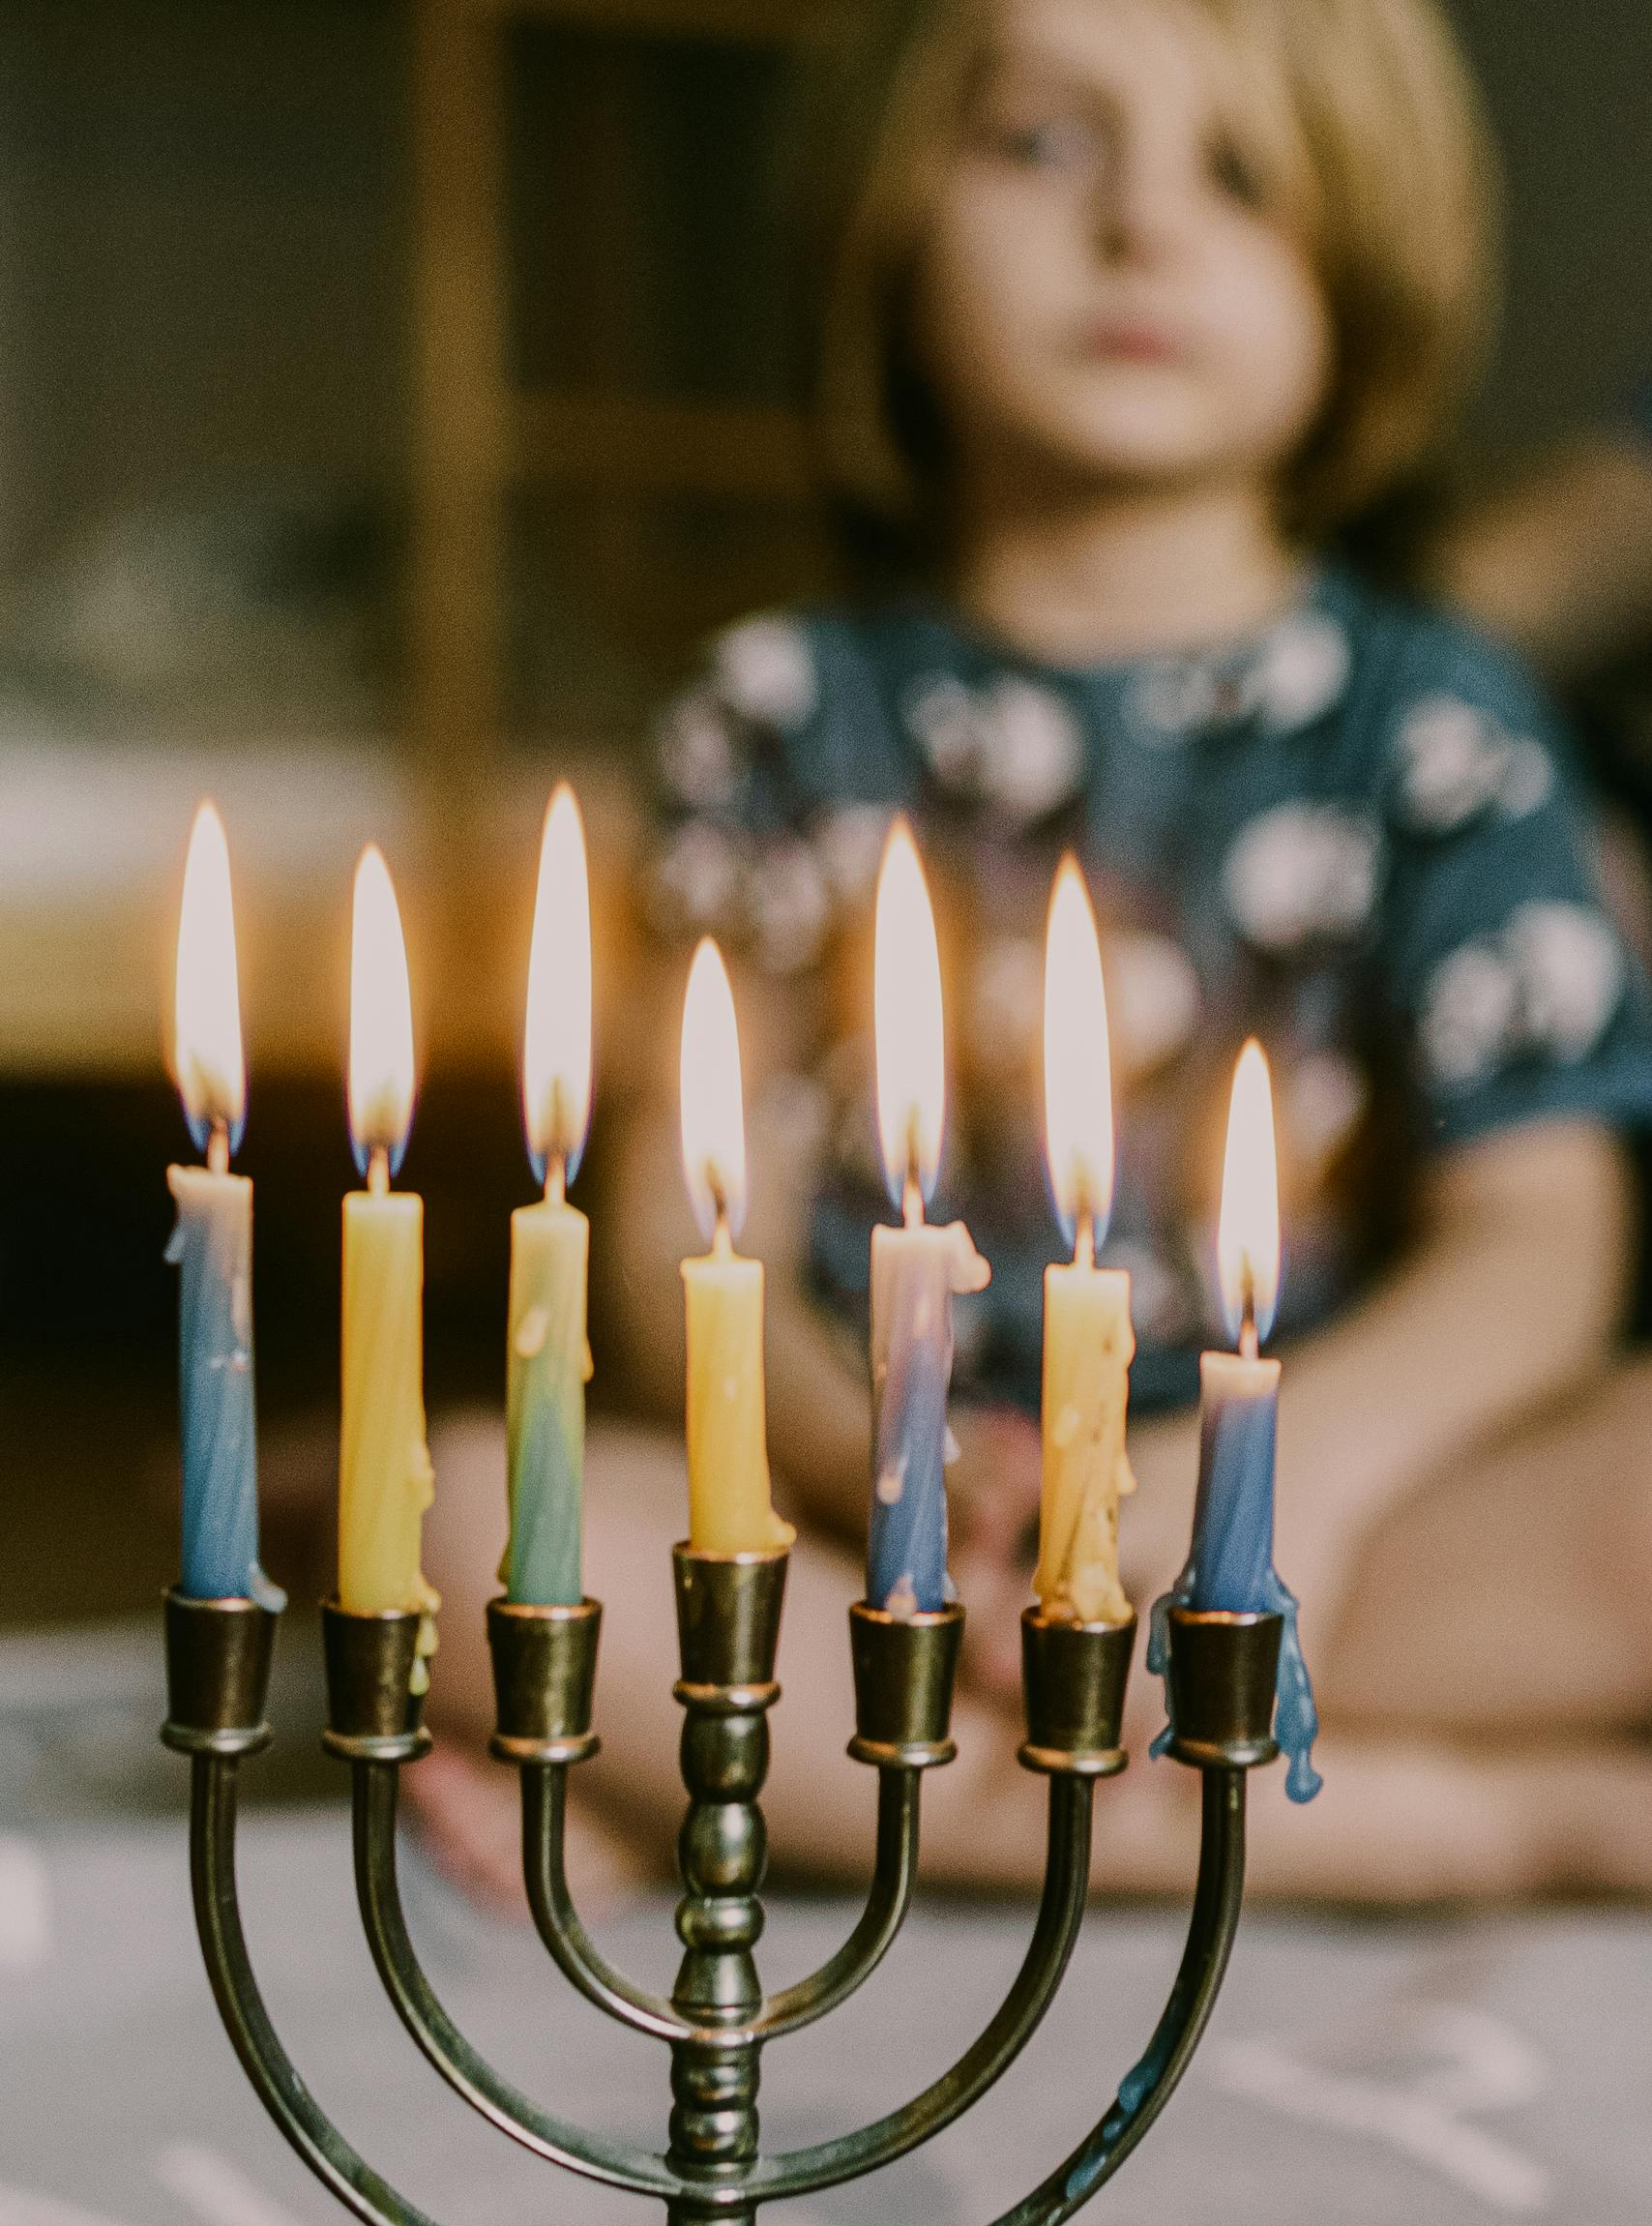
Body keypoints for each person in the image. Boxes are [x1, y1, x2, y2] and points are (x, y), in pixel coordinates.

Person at [415, 0, 1652, 1912]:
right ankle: (1478, 1821)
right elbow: (677, 1225)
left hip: (1328, 1544)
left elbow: (1541, 1235)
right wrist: (871, 1467)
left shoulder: (1439, 725)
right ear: (891, 226)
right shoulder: (772, 717)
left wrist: (1279, 1484)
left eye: (1238, 172)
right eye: (1044, 145)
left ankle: (738, 1786)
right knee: (453, 1505)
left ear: (1365, 267)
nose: (1140, 225)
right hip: (884, 1559)